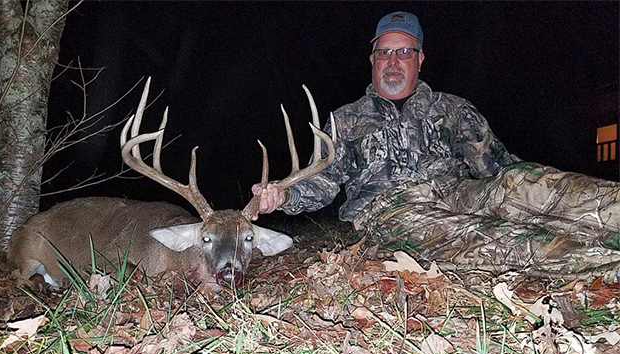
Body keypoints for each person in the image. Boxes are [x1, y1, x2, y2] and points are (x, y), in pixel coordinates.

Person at [252, 11, 620, 283]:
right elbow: (322, 184)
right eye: (385, 53)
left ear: (420, 59)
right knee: (489, 239)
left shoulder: (453, 109)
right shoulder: (344, 121)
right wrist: (282, 196)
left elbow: (500, 170)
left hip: (456, 191)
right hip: (388, 211)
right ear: (372, 61)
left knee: (531, 186)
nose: (393, 62)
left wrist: (522, 186)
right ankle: (606, 263)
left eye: (404, 52)